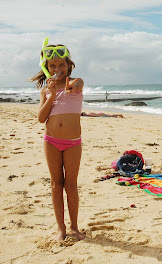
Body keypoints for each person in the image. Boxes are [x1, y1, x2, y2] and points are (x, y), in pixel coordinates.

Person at [30, 38, 85, 241]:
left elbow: (77, 86)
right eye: (52, 65)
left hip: (73, 143)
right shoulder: (46, 90)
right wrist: (52, 95)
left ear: (68, 65)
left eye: (62, 64)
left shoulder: (77, 82)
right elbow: (41, 118)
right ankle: (60, 228)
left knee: (71, 184)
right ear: (46, 67)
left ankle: (74, 227)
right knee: (56, 183)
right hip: (51, 141)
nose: (57, 68)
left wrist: (71, 85)